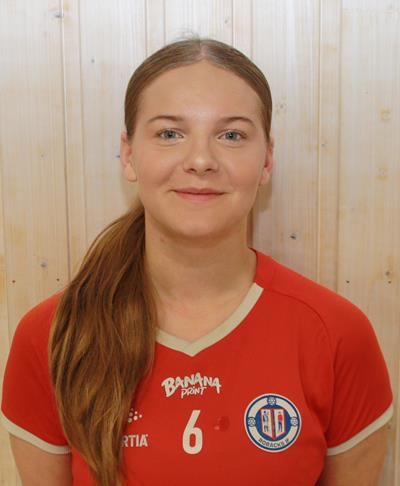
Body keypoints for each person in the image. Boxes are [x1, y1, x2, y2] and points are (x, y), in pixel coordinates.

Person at [0, 36, 394, 486]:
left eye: (232, 135)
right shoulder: (54, 335)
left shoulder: (337, 334)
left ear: (266, 160)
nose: (201, 160)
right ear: (129, 154)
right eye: (170, 133)